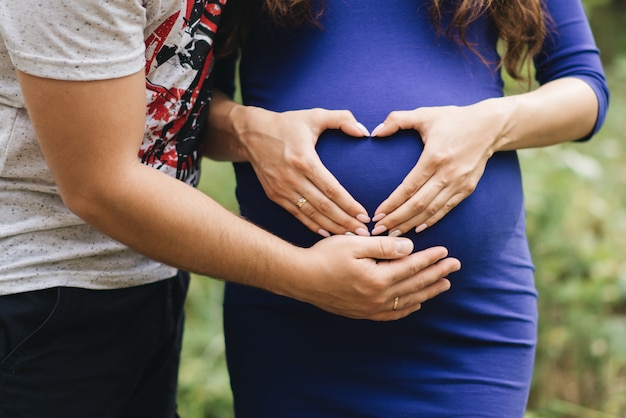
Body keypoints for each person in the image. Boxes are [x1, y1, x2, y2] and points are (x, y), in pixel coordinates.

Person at [0, 1, 461, 417]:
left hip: (144, 275)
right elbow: (100, 186)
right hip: (39, 289)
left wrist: (247, 129)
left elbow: (167, 104)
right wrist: (305, 274)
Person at [204, 0, 609, 416]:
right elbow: (182, 111)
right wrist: (246, 130)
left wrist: (490, 124)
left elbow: (585, 90)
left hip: (466, 322)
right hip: (288, 309)